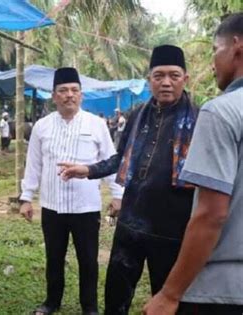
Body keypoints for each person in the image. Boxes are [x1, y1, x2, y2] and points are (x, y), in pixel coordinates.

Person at [58, 45, 199, 315]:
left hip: (172, 226)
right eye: (158, 76)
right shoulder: (137, 116)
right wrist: (87, 169)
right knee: (116, 295)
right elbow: (120, 158)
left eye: (173, 75)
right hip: (131, 221)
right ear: (150, 80)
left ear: (185, 79)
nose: (166, 82)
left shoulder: (199, 119)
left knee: (166, 298)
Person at [143, 13, 243, 315]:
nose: (213, 61)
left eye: (215, 49)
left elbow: (211, 214)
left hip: (221, 288)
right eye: (158, 76)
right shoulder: (139, 118)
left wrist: (170, 294)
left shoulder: (217, 113)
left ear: (236, 46)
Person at [19, 67, 124, 315]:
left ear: (81, 95)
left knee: (88, 260)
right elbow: (33, 165)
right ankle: (51, 302)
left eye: (74, 90)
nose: (69, 95)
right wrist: (26, 198)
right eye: (63, 91)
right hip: (52, 205)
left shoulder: (96, 125)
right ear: (54, 95)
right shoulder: (42, 127)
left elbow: (111, 162)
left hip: (85, 207)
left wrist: (117, 195)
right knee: (54, 258)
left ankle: (89, 307)